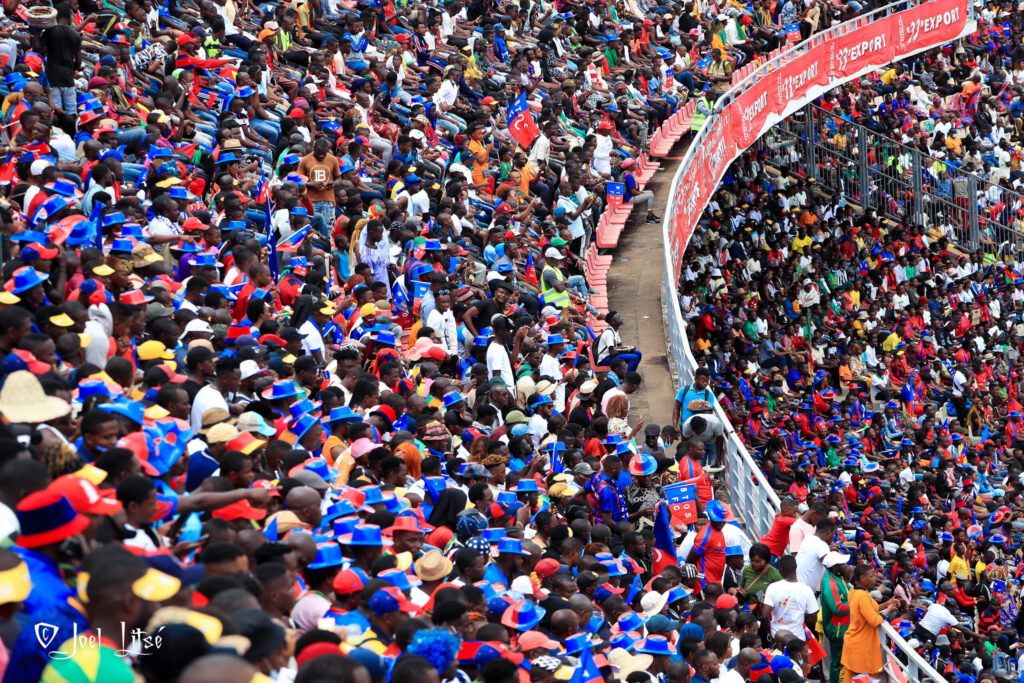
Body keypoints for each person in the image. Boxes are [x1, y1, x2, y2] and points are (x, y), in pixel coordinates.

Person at [841, 564, 901, 683]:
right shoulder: (862, 595)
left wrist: (886, 604)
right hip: (861, 645)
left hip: (856, 642)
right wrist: (888, 611)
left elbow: (869, 609)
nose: (875, 578)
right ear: (862, 578)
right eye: (872, 576)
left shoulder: (855, 590)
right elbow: (874, 620)